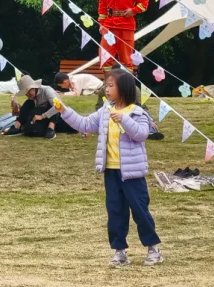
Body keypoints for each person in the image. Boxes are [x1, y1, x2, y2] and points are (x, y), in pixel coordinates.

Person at [52, 69, 162, 266]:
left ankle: (153, 248)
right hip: (111, 172)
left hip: (133, 174)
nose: (106, 89)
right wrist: (65, 112)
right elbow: (85, 124)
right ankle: (120, 252)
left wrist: (124, 120)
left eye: (111, 86)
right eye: (106, 85)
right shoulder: (105, 110)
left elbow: (141, 135)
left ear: (125, 89)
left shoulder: (138, 113)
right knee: (115, 211)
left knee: (140, 210)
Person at [97, 0, 148, 70]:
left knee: (126, 61)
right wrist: (101, 24)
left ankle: (126, 85)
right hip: (108, 26)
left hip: (126, 27)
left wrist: (134, 10)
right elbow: (102, 7)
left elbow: (145, 3)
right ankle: (108, 85)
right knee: (105, 59)